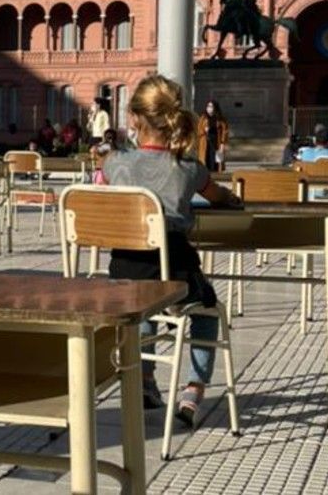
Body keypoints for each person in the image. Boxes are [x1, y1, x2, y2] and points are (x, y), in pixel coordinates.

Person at [99, 74, 241, 422]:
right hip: (174, 269)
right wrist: (233, 198)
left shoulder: (113, 162)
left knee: (143, 301)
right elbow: (219, 197)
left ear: (133, 119)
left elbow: (101, 192)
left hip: (123, 273)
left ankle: (146, 379)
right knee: (206, 311)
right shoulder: (189, 167)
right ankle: (193, 389)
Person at [195, 99, 230, 172]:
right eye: (208, 106)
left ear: (215, 108)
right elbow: (198, 131)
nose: (209, 108)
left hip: (216, 142)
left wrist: (222, 143)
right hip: (205, 143)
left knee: (215, 161)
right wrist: (204, 130)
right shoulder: (203, 118)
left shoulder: (221, 119)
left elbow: (225, 131)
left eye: (211, 106)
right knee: (206, 159)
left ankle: (215, 175)